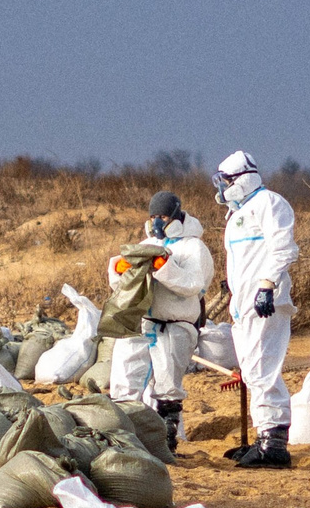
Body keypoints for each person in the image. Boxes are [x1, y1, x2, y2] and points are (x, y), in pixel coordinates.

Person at [107, 190, 215, 450]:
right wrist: (119, 270)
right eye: (153, 216)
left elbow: (193, 285)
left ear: (176, 216)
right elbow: (123, 286)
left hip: (174, 325)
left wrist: (163, 267)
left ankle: (167, 439)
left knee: (167, 385)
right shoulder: (146, 245)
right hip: (142, 322)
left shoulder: (193, 247)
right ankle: (127, 438)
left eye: (163, 216)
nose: (157, 222)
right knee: (126, 378)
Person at [215, 149, 297, 468]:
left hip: (265, 301)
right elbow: (244, 258)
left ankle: (274, 444)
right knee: (251, 369)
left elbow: (283, 250)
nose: (222, 187)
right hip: (244, 304)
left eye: (227, 180)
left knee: (263, 368)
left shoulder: (270, 204)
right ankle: (262, 436)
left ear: (242, 179)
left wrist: (267, 285)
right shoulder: (237, 214)